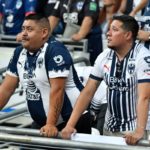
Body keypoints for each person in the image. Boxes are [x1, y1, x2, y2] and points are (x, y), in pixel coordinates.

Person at [61, 15, 150, 145]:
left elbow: (144, 97)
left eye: (114, 29)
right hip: (109, 127)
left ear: (128, 35)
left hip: (135, 130)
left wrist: (139, 130)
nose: (108, 33)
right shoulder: (104, 56)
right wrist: (70, 125)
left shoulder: (143, 57)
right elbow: (87, 92)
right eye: (109, 29)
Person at [0, 13, 92, 137]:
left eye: (29, 29)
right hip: (42, 123)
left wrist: (50, 124)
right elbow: (6, 89)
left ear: (44, 33)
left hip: (71, 123)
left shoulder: (55, 50)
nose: (24, 33)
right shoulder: (18, 52)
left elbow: (57, 90)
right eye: (23, 29)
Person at [49, 0, 103, 66]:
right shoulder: (62, 1)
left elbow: (89, 18)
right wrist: (47, 33)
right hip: (71, 40)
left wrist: (81, 34)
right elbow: (54, 16)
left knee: (91, 66)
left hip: (90, 40)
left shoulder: (91, 1)